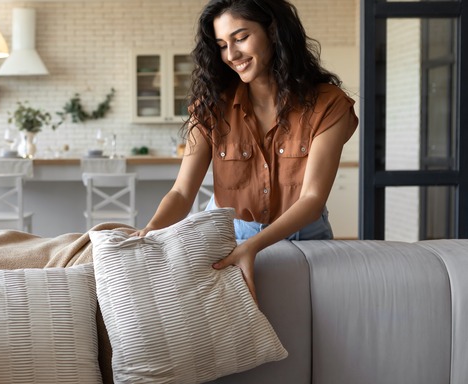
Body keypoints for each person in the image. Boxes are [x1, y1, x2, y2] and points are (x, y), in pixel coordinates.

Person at [135, 0, 358, 299]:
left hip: (307, 239)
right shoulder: (211, 107)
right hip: (232, 236)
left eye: (240, 38)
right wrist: (149, 231)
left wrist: (251, 248)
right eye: (223, 45)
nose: (232, 54)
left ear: (274, 32)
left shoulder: (327, 104)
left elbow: (313, 198)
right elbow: (182, 193)